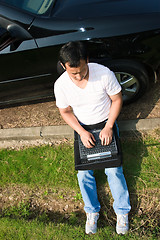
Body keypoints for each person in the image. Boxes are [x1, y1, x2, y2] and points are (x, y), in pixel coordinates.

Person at [54, 41, 131, 235]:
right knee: (83, 174)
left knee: (114, 170)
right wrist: (81, 132)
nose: (79, 76)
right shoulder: (61, 85)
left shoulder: (104, 73)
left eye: (82, 70)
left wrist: (109, 126)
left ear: (87, 60)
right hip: (83, 128)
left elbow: (117, 99)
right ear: (64, 66)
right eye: (74, 73)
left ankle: (122, 212)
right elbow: (65, 111)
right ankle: (92, 211)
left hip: (106, 123)